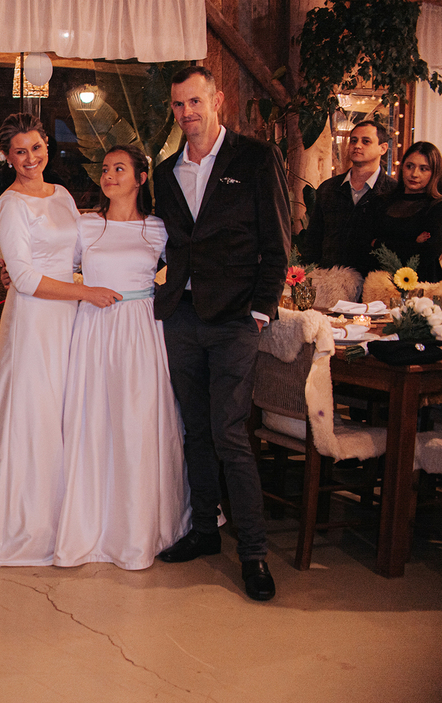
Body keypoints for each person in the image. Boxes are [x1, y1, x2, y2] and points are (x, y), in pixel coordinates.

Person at [0, 113, 120, 567]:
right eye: (20, 152)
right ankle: (23, 522)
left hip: (68, 319)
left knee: (66, 411)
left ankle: (70, 517)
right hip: (34, 321)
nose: (30, 158)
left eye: (37, 148)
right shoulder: (9, 205)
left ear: (47, 146)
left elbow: (80, 253)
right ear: (7, 157)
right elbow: (24, 278)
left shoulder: (62, 195)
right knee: (34, 412)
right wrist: (86, 293)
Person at [151, 66, 290, 602]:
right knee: (195, 431)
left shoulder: (254, 158)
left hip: (235, 321)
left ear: (218, 100)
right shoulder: (166, 172)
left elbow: (277, 243)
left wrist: (259, 312)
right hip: (183, 318)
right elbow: (159, 242)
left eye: (195, 101)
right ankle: (206, 530)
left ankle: (253, 553)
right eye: (178, 104)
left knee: (230, 434)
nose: (186, 112)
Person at [54, 145, 190, 570]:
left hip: (141, 329)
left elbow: (189, 268)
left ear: (140, 178)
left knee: (138, 420)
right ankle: (92, 521)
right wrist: (12, 269)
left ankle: (140, 525)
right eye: (105, 169)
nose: (109, 175)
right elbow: (54, 266)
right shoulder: (86, 226)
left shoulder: (157, 229)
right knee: (93, 417)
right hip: (94, 327)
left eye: (119, 168)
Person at [300, 120, 396, 272]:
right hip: (329, 279)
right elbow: (313, 240)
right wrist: (307, 273)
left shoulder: (393, 192)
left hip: (374, 281)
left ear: (383, 148)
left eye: (366, 141)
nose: (357, 145)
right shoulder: (329, 188)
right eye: (353, 140)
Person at [366, 140, 442, 281]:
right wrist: (414, 242)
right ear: (402, 168)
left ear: (434, 173)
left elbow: (426, 255)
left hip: (421, 286)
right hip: (378, 284)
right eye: (409, 166)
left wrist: (378, 243)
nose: (414, 174)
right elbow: (366, 247)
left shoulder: (437, 207)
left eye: (423, 169)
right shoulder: (381, 202)